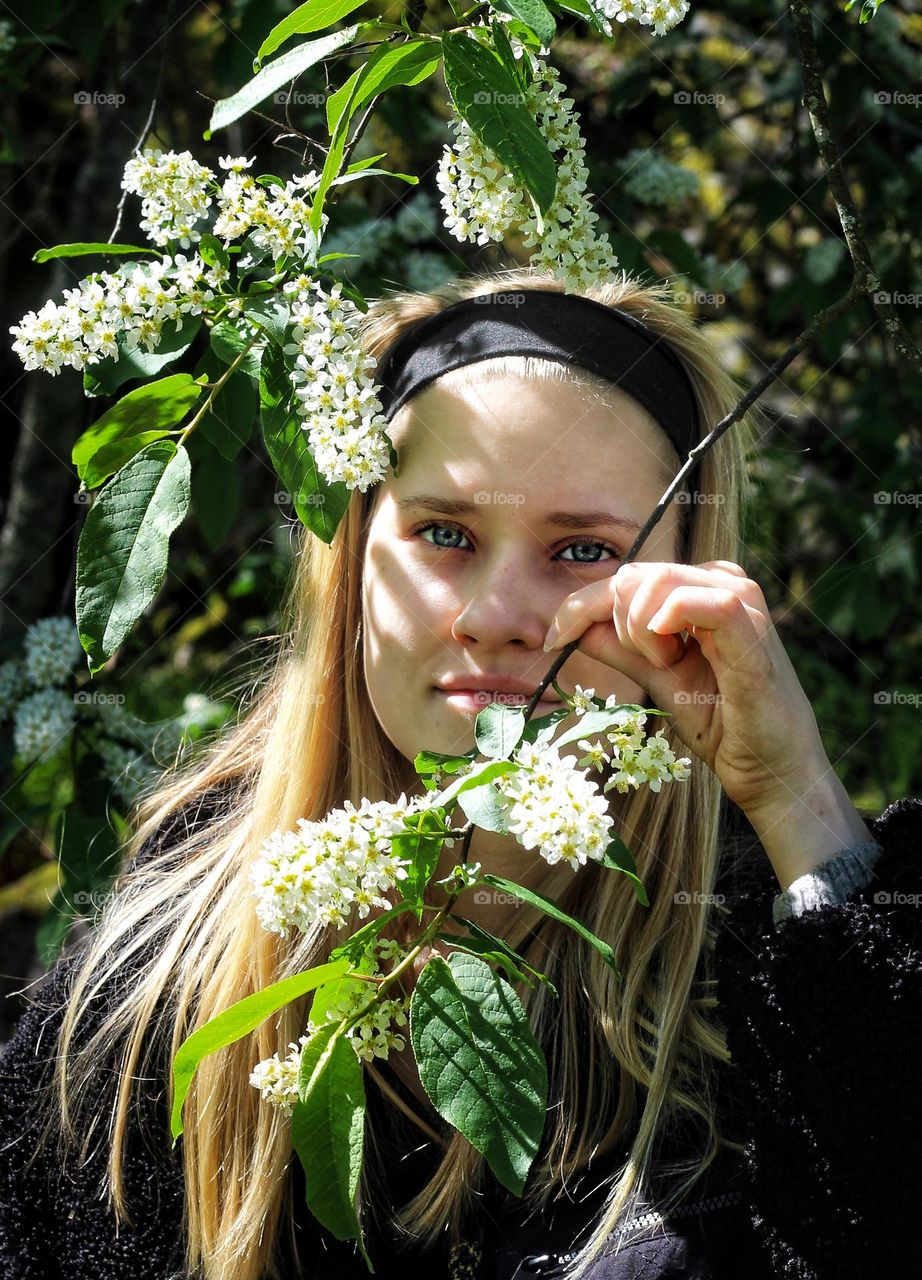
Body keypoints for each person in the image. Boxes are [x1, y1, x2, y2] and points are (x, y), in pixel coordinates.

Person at [0, 266, 919, 1280]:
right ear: (351, 559)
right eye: (444, 532)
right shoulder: (142, 1001)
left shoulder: (757, 968)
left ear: (687, 585)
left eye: (581, 548)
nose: (495, 612)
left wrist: (804, 809)